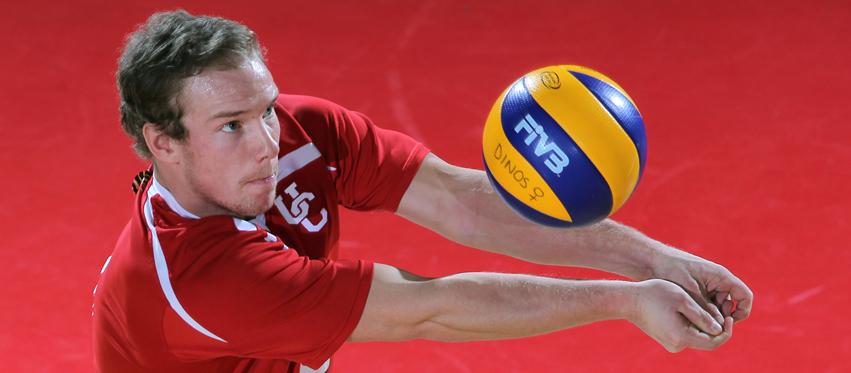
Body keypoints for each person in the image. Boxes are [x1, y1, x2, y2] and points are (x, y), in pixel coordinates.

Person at [92, 10, 753, 373]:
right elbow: (427, 308)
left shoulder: (299, 131)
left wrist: (654, 261)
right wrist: (627, 302)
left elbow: (462, 200)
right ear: (162, 142)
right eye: (231, 125)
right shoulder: (193, 276)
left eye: (263, 107)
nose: (268, 139)